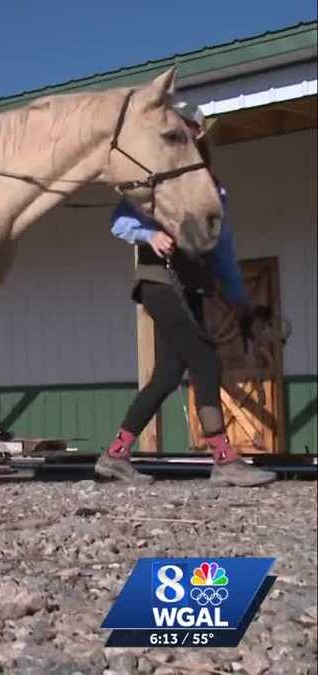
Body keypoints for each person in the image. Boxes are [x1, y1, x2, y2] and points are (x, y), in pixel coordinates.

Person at [94, 100, 275, 487]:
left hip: (191, 285)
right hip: (160, 281)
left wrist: (239, 298)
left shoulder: (213, 188)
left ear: (199, 134)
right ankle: (224, 459)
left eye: (189, 128)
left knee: (167, 374)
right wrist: (149, 234)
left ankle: (116, 454)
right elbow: (119, 220)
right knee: (206, 362)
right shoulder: (153, 179)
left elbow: (222, 249)